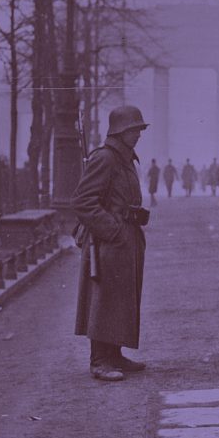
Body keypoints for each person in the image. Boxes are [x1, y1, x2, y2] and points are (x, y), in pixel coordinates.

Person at [71, 105, 151, 382]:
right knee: (104, 300)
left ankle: (114, 355)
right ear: (120, 131)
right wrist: (112, 230)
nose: (139, 134)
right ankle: (99, 360)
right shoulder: (106, 158)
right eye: (134, 129)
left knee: (121, 299)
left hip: (126, 238)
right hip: (109, 242)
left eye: (139, 129)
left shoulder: (124, 158)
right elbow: (83, 201)